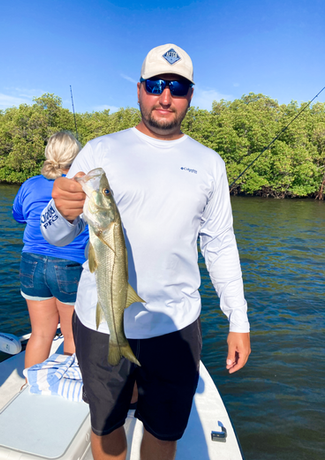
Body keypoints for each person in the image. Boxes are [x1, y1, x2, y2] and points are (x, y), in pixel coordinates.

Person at [40, 44, 251, 460]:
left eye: (178, 86)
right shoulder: (101, 150)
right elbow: (56, 235)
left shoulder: (210, 163)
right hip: (100, 321)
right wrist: (60, 211)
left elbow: (220, 244)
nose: (165, 96)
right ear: (139, 90)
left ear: (190, 95)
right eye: (156, 84)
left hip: (176, 324)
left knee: (165, 429)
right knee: (104, 425)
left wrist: (238, 318)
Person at [13, 131, 88, 370]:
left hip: (31, 263)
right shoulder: (81, 188)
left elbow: (19, 216)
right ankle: (70, 389)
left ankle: (30, 386)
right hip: (70, 267)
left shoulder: (30, 184)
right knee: (72, 335)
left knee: (41, 333)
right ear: (76, 156)